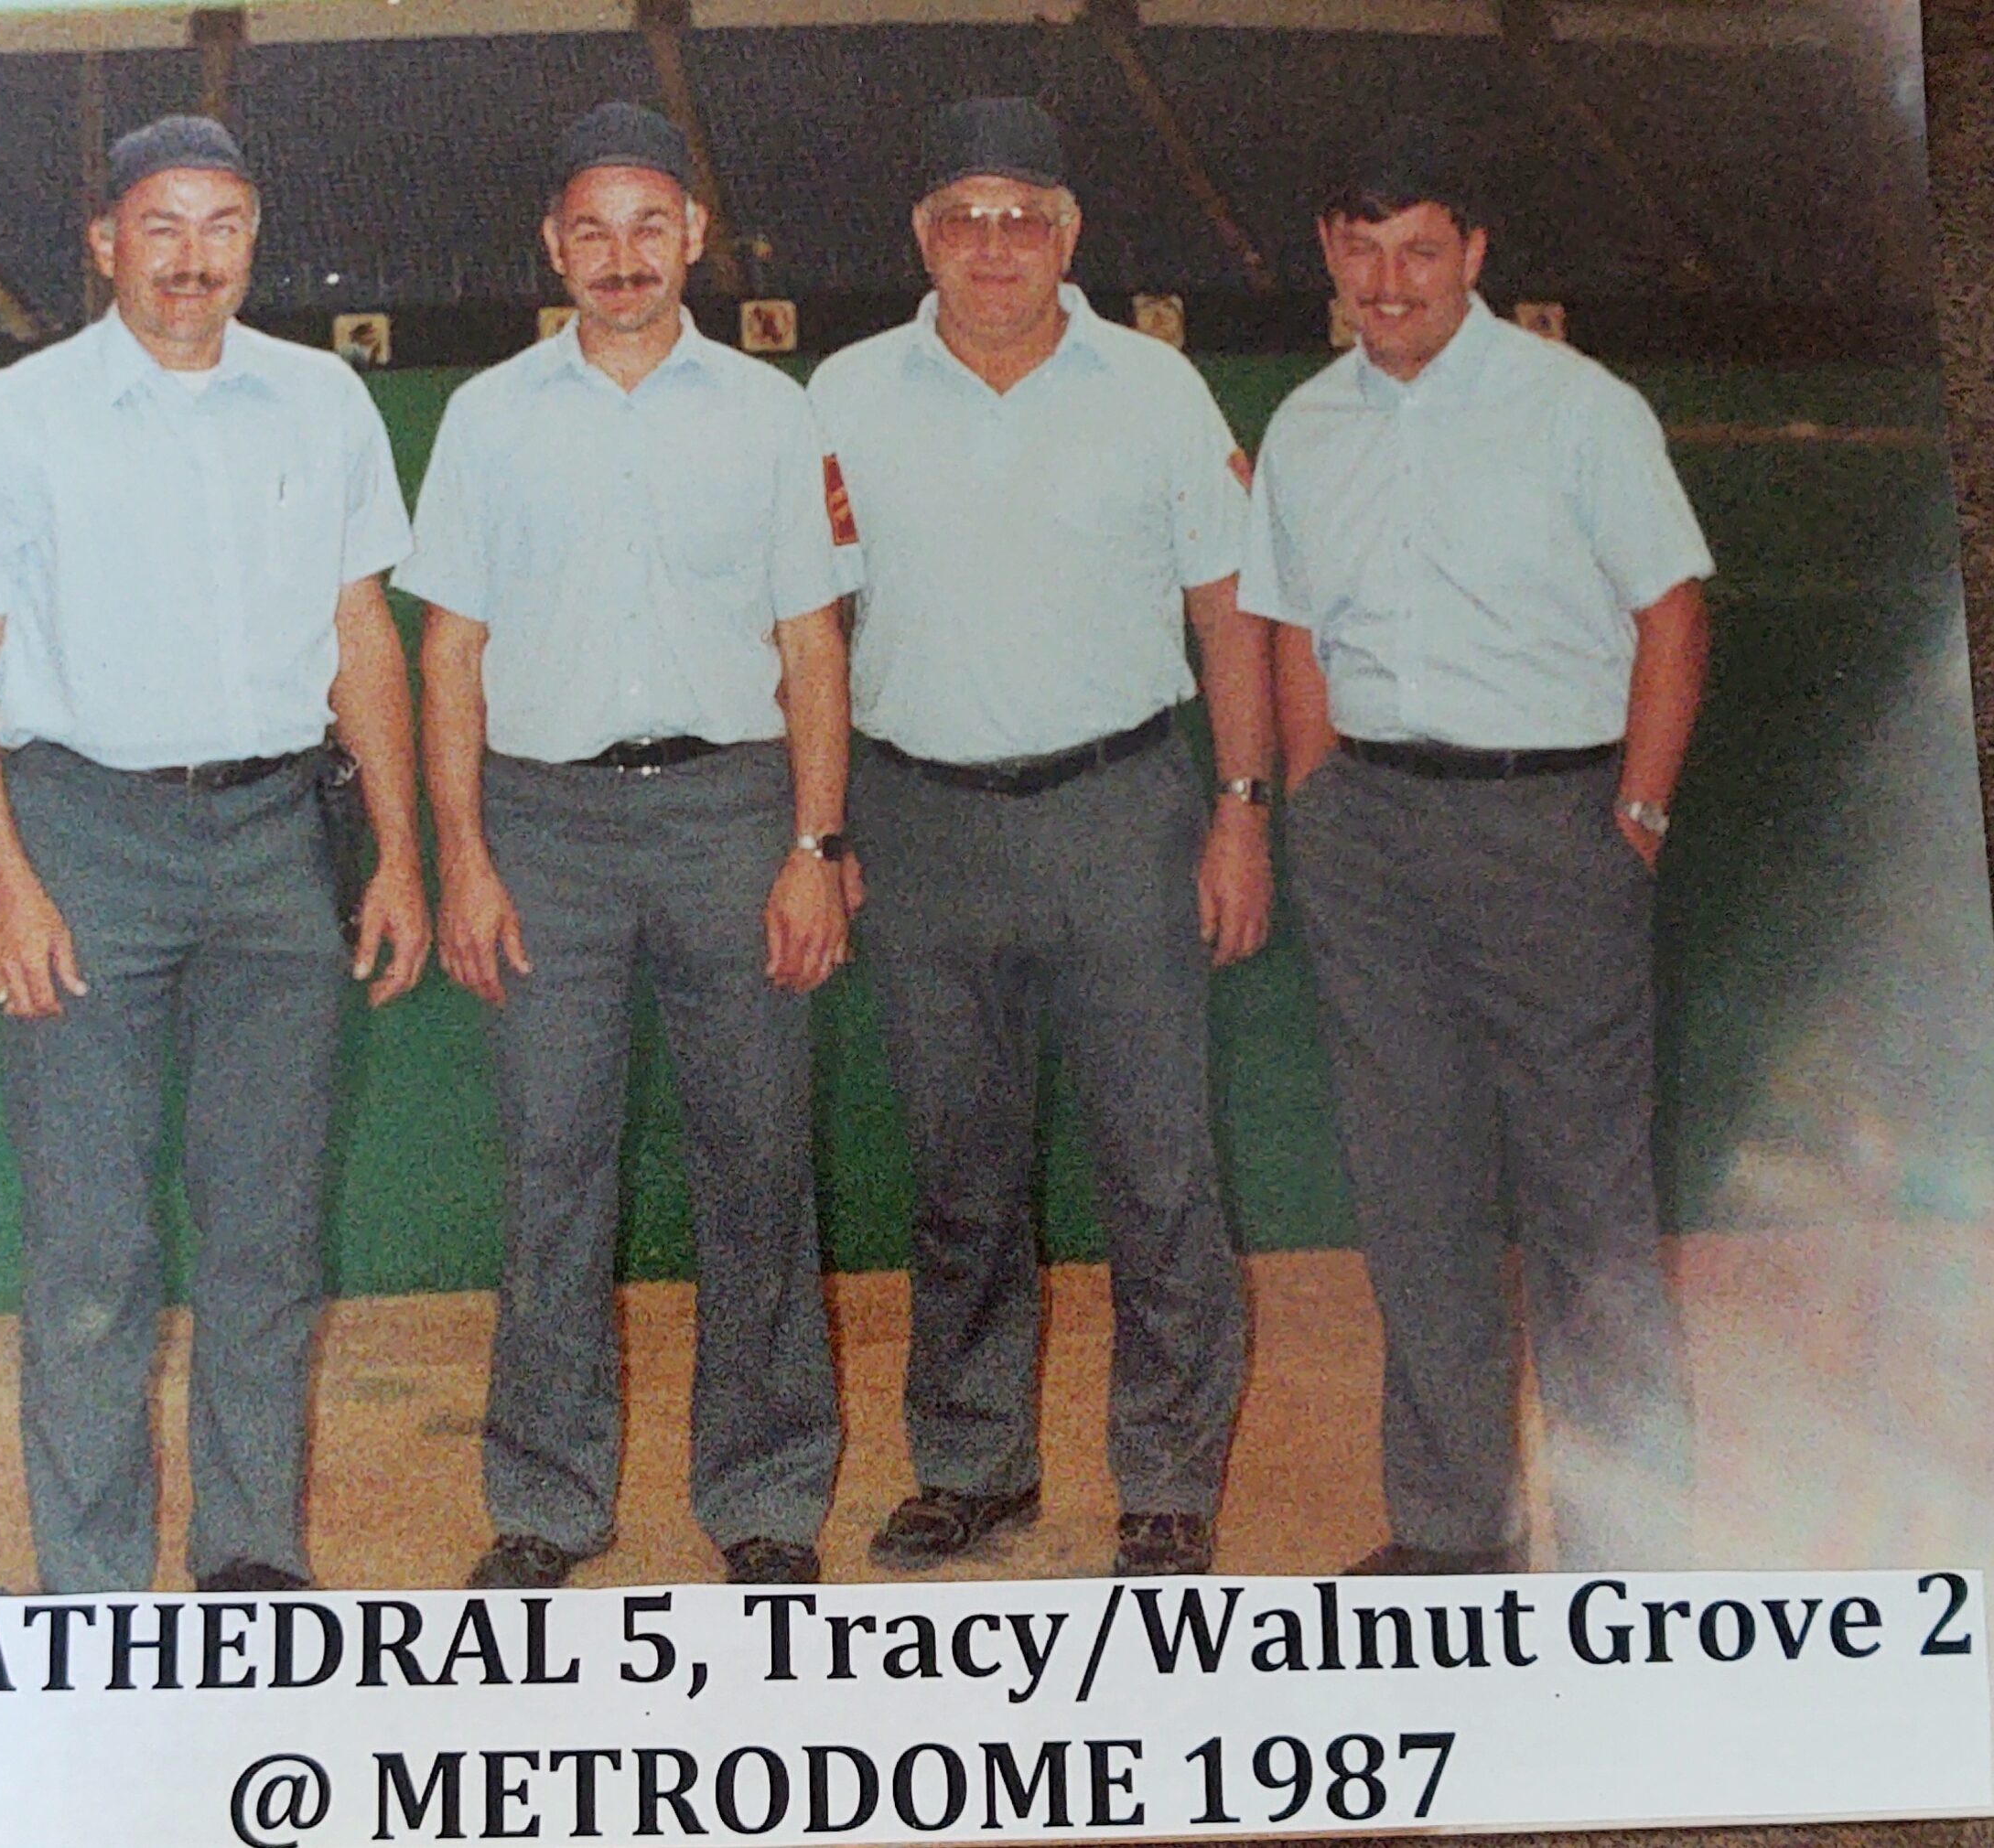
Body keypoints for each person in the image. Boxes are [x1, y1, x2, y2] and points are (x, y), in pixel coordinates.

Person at [0, 114, 429, 1595]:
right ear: (106, 243)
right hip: (85, 845)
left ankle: (250, 1566)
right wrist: (7, 885)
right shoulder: (10, 419)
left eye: (223, 225)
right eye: (163, 227)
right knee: (92, 1251)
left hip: (276, 846)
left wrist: (398, 852)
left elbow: (362, 633)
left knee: (267, 1237)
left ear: (254, 237)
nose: (194, 258)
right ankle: (95, 1591)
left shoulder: (322, 402)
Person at [807, 97, 1272, 1578]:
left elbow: (1230, 610)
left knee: (1160, 1169)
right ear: (923, 238)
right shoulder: (845, 393)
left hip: (1120, 813)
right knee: (960, 1176)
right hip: (920, 820)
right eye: (964, 217)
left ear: (1068, 235)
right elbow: (806, 625)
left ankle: (1168, 1481)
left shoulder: (1156, 388)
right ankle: (973, 1464)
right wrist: (823, 831)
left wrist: (1242, 809)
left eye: (1022, 217)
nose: (993, 244)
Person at [1239, 128, 1713, 1574]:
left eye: (1421, 251)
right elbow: (1293, 623)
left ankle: (1631, 1554)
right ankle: (1452, 1535)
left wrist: (1635, 820)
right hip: (1371, 835)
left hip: (1550, 827)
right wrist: (1316, 794)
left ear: (1475, 256)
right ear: (1330, 255)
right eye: (1364, 250)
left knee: (1587, 1205)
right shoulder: (1307, 424)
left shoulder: (1579, 408)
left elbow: (1672, 613)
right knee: (1415, 1197)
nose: (1391, 281)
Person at [402, 102, 850, 1590]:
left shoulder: (772, 413)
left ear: (694, 236)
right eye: (592, 230)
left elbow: (813, 642)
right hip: (546, 830)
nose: (622, 256)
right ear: (554, 245)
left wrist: (815, 842)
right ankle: (545, 1501)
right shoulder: (489, 416)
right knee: (552, 1167)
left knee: (758, 1159)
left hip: (732, 812)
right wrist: (465, 857)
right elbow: (450, 652)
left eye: (649, 225)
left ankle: (767, 1493)